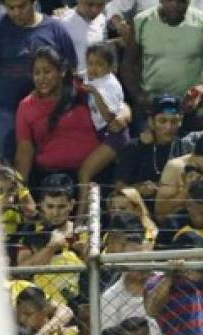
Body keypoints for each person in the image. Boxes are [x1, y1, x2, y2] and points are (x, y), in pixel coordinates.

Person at [0, 0, 77, 161]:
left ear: (34, 3)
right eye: (11, 8)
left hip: (47, 112)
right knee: (2, 167)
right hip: (4, 112)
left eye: (22, 6)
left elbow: (71, 70)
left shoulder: (56, 30)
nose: (16, 12)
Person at [13, 46, 100, 186]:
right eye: (36, 73)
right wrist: (21, 192)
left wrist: (125, 111)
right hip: (51, 178)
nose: (41, 78)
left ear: (62, 71)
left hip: (94, 174)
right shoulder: (26, 106)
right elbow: (24, 152)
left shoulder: (82, 90)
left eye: (47, 72)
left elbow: (114, 102)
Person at [123, 0, 203, 114]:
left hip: (192, 107)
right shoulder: (141, 21)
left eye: (181, 1)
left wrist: (202, 88)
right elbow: (128, 65)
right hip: (152, 108)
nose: (175, 5)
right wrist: (139, 97)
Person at [75, 42, 130, 213]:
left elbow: (110, 118)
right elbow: (77, 76)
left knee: (85, 173)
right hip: (99, 134)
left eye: (99, 65)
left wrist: (95, 93)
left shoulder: (110, 85)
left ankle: (80, 220)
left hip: (114, 135)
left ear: (110, 66)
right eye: (90, 63)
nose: (94, 68)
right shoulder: (90, 76)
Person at [114, 94, 186, 208]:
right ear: (151, 121)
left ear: (180, 121)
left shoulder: (185, 148)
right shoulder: (135, 147)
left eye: (174, 121)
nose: (169, 127)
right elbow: (119, 187)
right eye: (162, 121)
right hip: (139, 209)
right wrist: (138, 189)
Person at [155, 130, 203, 222]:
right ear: (193, 152)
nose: (202, 174)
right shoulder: (175, 167)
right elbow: (160, 215)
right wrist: (186, 190)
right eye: (198, 168)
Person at [58, 0, 105, 74]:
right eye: (90, 4)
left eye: (100, 5)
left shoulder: (102, 19)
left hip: (98, 80)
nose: (95, 10)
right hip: (73, 81)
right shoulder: (61, 22)